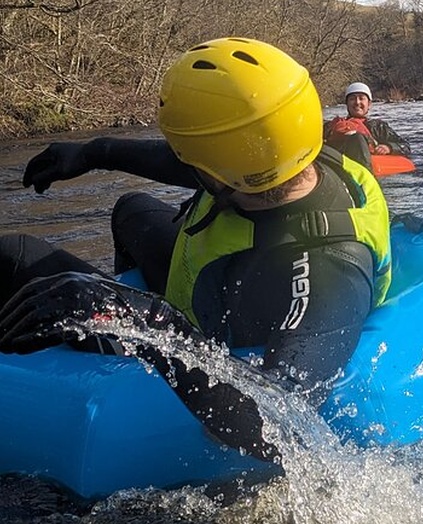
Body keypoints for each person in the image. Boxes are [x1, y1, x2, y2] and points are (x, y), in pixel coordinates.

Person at [0, 37, 392, 461]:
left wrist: (142, 320)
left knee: (14, 254)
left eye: (195, 161)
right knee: (131, 208)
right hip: (216, 285)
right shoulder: (281, 162)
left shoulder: (331, 274)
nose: (185, 165)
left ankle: (119, 358)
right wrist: (96, 153)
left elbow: (282, 423)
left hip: (216, 336)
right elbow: (199, 162)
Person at [323, 82, 411, 166]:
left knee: (357, 137)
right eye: (352, 99)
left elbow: (405, 147)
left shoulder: (378, 127)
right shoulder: (332, 126)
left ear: (369, 104)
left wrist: (389, 147)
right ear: (347, 104)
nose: (357, 102)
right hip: (340, 163)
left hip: (368, 167)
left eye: (361, 98)